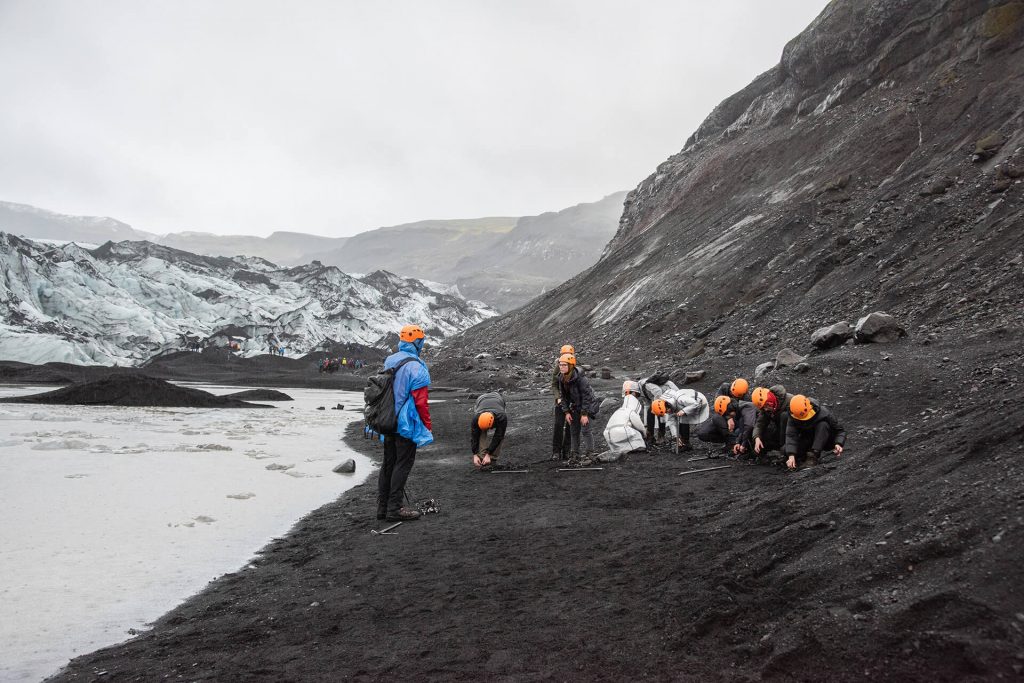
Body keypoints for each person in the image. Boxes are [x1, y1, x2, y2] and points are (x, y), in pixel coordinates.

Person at [377, 324, 432, 522]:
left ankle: (383, 508)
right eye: (421, 341)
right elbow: (421, 402)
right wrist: (426, 426)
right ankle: (395, 509)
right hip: (406, 424)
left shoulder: (390, 360)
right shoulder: (417, 367)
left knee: (388, 463)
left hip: (386, 419)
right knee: (402, 463)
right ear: (417, 342)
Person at [784, 395, 846, 470]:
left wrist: (838, 443)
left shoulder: (823, 412)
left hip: (825, 440)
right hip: (808, 439)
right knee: (785, 450)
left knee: (823, 425)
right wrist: (791, 455)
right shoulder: (793, 416)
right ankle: (799, 458)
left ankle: (813, 456)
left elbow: (840, 430)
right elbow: (791, 435)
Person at [556, 352, 599, 460]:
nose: (561, 367)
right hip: (575, 406)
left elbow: (586, 396)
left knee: (586, 430)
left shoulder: (581, 378)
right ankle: (575, 454)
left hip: (588, 406)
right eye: (560, 365)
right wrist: (566, 412)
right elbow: (563, 396)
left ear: (571, 366)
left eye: (564, 365)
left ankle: (590, 453)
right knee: (574, 431)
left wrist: (584, 414)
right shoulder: (561, 378)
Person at [650, 387, 710, 453]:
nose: (667, 413)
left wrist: (683, 411)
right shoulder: (668, 403)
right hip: (688, 405)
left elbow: (695, 404)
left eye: (666, 411)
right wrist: (676, 437)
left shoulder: (680, 399)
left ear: (667, 406)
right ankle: (683, 442)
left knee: (683, 420)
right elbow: (673, 421)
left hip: (700, 401)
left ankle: (686, 444)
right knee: (680, 420)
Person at [603, 381, 648, 454]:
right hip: (620, 431)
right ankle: (637, 448)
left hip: (607, 434)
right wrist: (644, 432)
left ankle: (621, 450)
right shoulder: (630, 411)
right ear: (634, 393)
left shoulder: (619, 411)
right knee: (637, 436)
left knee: (621, 444)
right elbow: (638, 424)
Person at [751, 385, 794, 461]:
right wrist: (757, 438)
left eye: (767, 405)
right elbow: (759, 424)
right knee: (764, 435)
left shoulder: (791, 401)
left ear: (770, 399)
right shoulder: (766, 408)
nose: (766, 409)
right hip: (780, 430)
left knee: (784, 416)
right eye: (763, 407)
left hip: (794, 432)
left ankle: (784, 449)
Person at [550, 344, 575, 460]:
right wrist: (558, 397)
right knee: (558, 425)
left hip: (572, 402)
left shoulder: (574, 367)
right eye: (564, 354)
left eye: (568, 354)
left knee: (570, 426)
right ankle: (556, 451)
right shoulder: (558, 367)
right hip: (560, 401)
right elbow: (554, 385)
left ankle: (567, 451)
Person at [471, 391, 507, 470]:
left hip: (498, 399)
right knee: (480, 433)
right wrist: (475, 454)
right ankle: (482, 457)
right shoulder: (476, 418)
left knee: (500, 434)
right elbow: (474, 436)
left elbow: (498, 436)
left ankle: (492, 458)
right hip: (481, 400)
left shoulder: (502, 417)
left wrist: (489, 454)